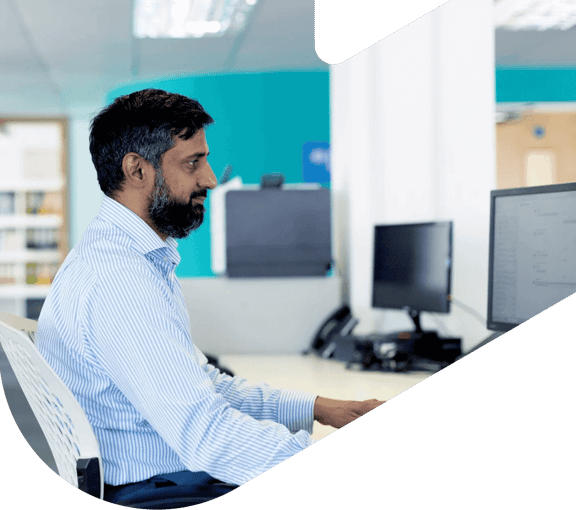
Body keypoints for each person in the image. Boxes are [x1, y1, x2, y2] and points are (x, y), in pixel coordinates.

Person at [36, 89, 384, 507]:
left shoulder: (129, 258)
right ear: (137, 170)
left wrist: (315, 407)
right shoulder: (119, 278)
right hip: (158, 491)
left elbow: (203, 386)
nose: (211, 178)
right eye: (192, 162)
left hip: (166, 479)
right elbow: (206, 432)